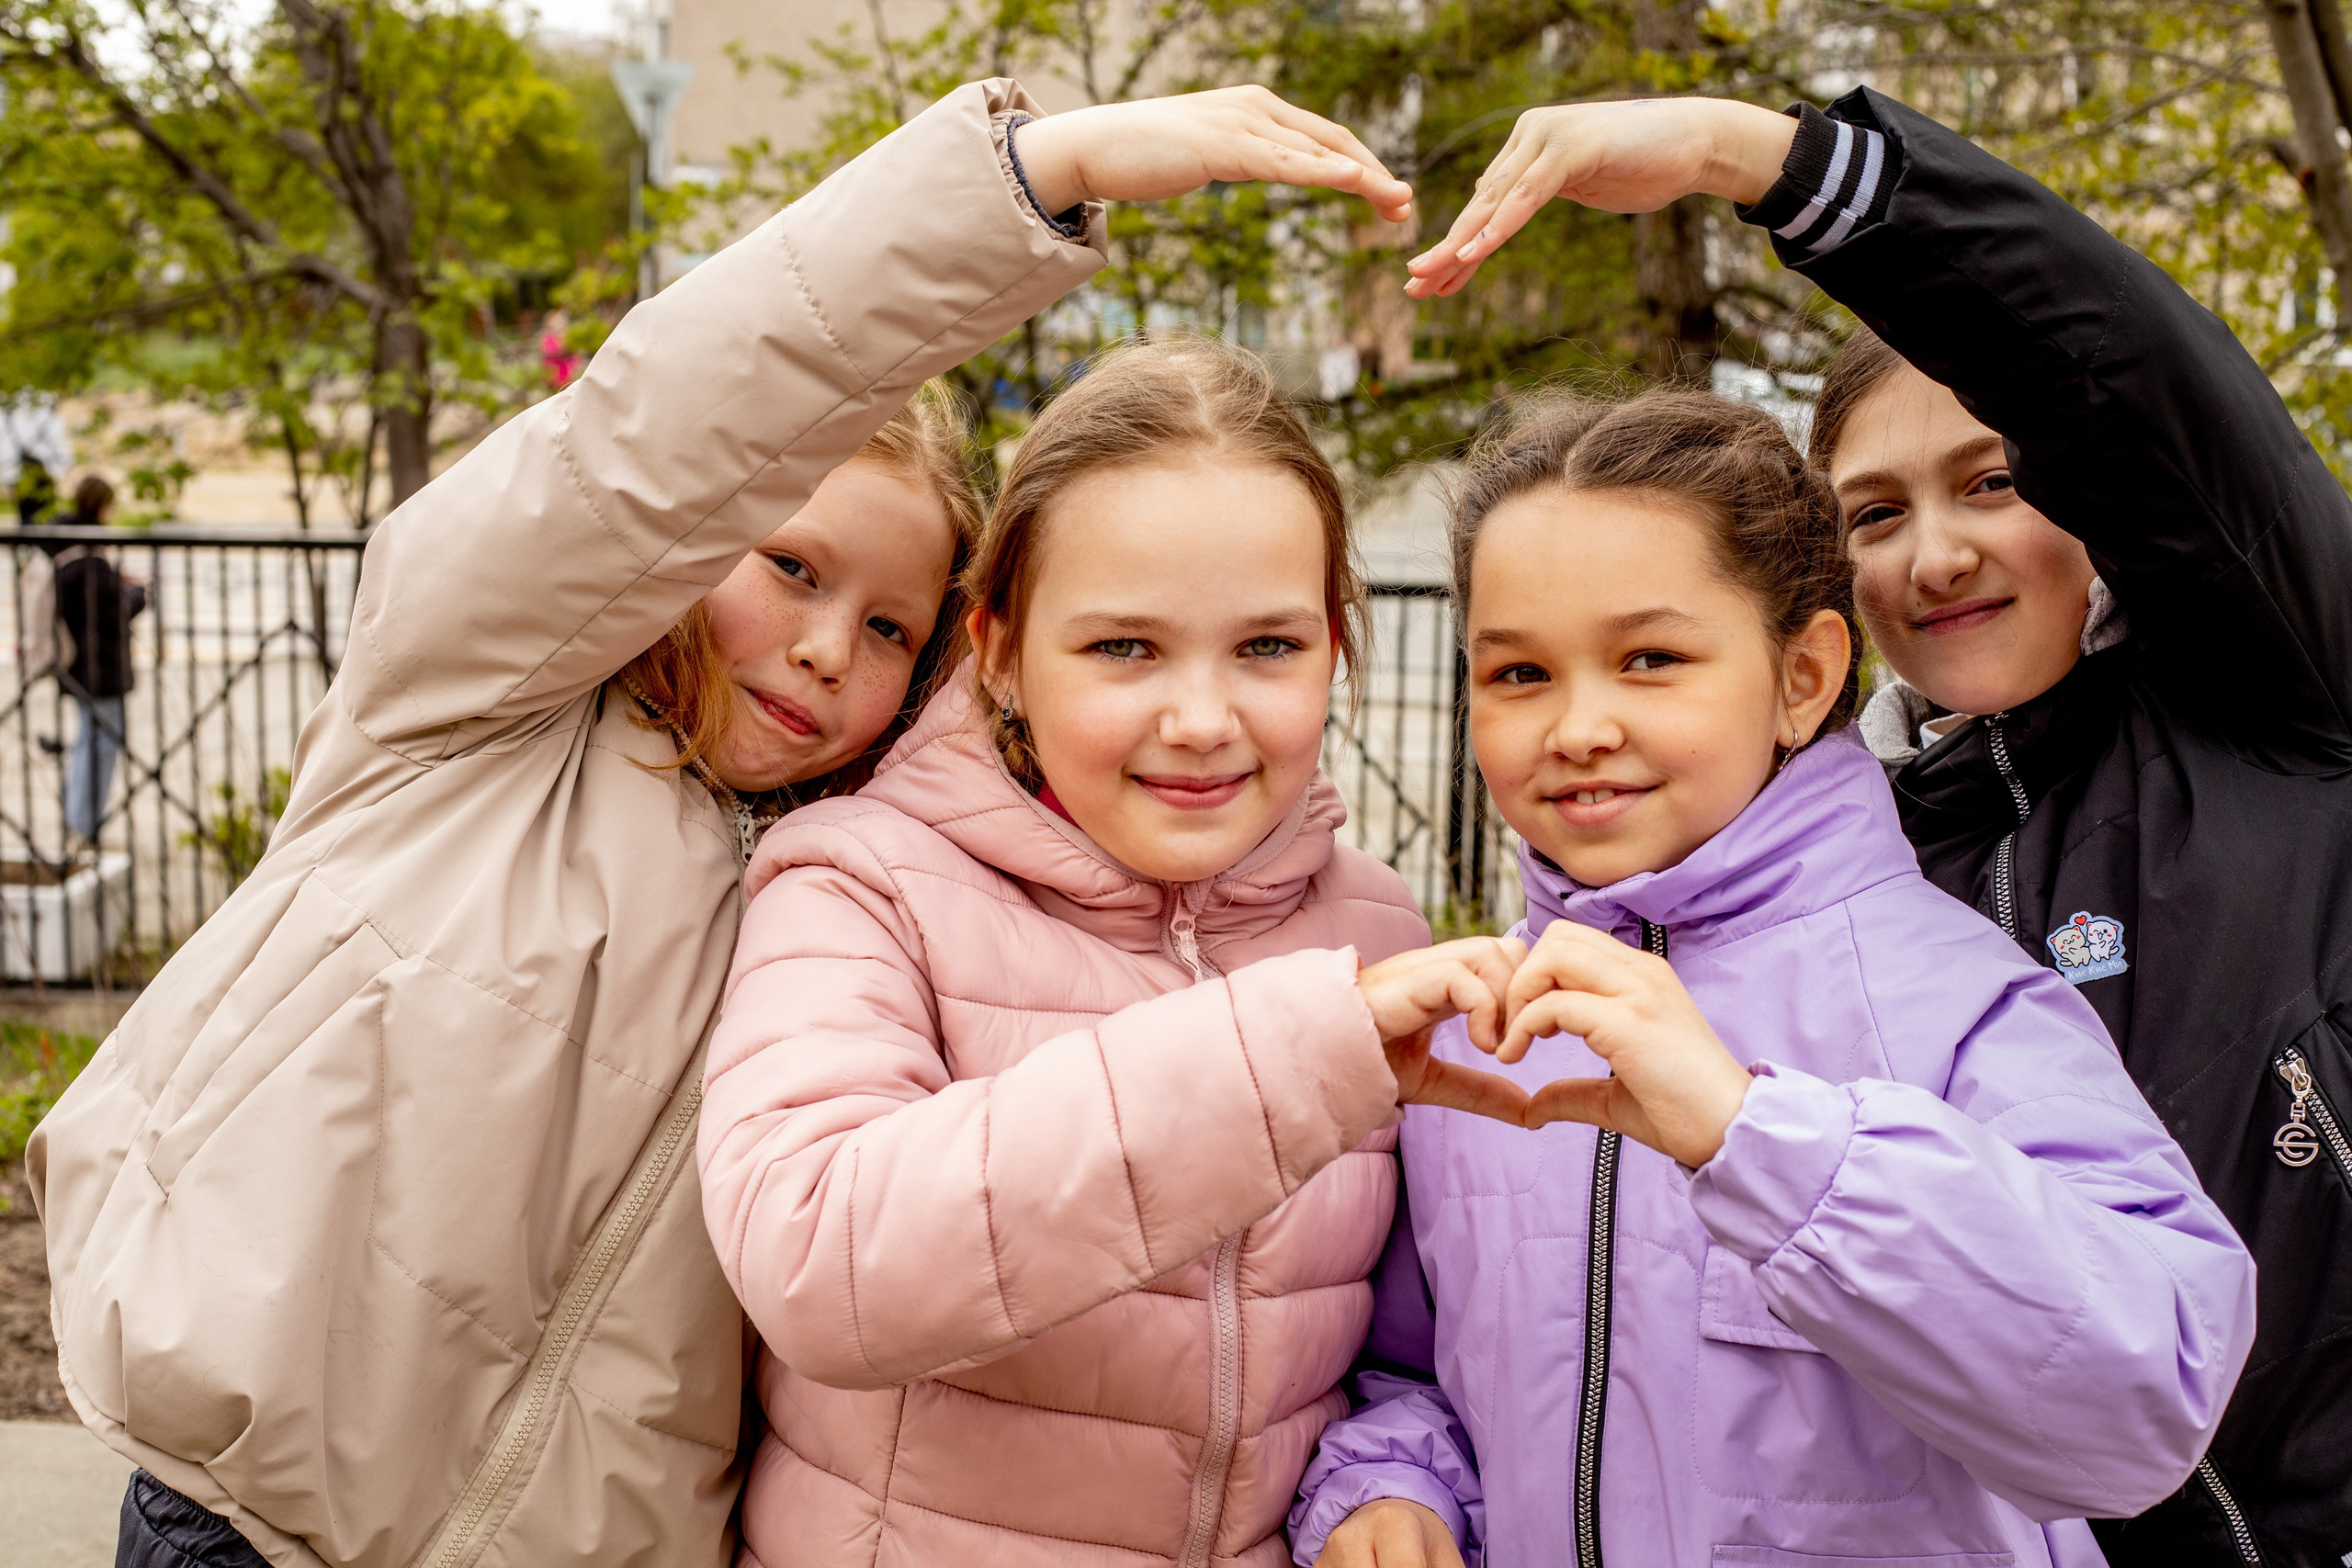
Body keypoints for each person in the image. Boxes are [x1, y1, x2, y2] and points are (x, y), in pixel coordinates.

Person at [27, 80, 1419, 1567]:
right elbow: (657, 427)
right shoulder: (467, 700)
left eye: (891, 624)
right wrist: (1033, 175)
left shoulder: (855, 867)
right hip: (251, 1511)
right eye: (792, 569)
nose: (830, 646)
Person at [1401, 86, 2352, 1563]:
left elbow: (2146, 387)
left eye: (1994, 481)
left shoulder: (2274, 704)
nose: (1942, 552)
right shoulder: (1883, 853)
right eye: (1877, 511)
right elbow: (1439, 1370)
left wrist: (1764, 162)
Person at [1288, 390, 2254, 1566]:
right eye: (1519, 674)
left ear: (1801, 676)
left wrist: (1760, 1140)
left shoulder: (1959, 1005)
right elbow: (1412, 1367)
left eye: (1651, 659)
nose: (1578, 725)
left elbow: (2146, 1406)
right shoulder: (1479, 1027)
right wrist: (1394, 1483)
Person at [701, 338, 1537, 1568]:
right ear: (999, 652)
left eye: (1267, 647)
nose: (1200, 720)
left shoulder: (1375, 929)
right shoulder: (859, 881)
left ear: (1336, 649)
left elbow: (1397, 1343)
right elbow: (820, 1256)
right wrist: (1286, 1056)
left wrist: (1389, 1472)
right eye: (1123, 647)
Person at [51, 476, 147, 844]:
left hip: (77, 663)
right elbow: (110, 613)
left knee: (88, 740)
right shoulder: (89, 554)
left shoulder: (64, 546)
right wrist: (137, 595)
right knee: (101, 742)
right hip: (98, 667)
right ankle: (83, 824)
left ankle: (78, 821)